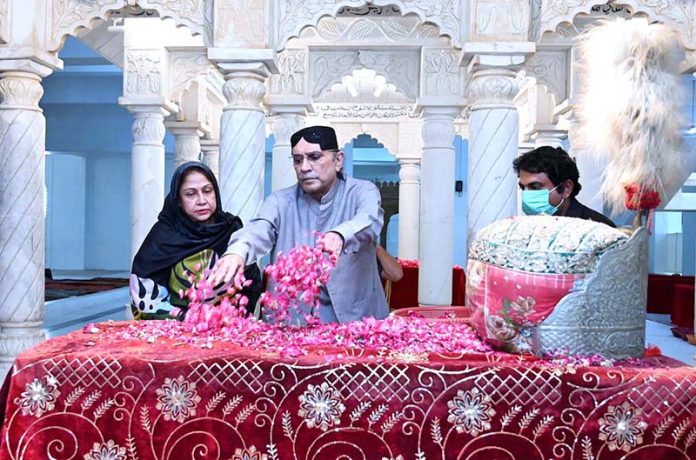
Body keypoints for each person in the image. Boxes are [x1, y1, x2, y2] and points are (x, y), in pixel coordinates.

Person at [209, 126, 388, 324]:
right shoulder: (280, 201)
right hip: (293, 322)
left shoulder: (362, 191)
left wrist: (340, 235)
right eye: (297, 160)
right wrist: (237, 252)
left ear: (338, 160)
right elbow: (259, 229)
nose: (304, 167)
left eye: (314, 157)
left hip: (353, 320)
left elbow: (369, 219)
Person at [130, 161, 262, 320]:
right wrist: (189, 318)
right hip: (174, 334)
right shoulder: (164, 236)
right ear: (178, 199)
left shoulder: (229, 229)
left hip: (227, 330)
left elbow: (251, 282)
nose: (201, 200)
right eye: (190, 194)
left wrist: (231, 319)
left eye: (207, 191)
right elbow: (143, 295)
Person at [513, 146, 616, 227]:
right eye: (523, 188)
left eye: (535, 187)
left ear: (566, 188)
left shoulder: (598, 229)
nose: (527, 196)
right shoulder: (528, 228)